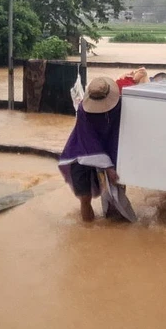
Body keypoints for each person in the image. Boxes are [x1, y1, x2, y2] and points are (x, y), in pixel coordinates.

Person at [58, 77, 136, 223]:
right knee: (85, 198)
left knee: (116, 190)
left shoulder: (121, 105)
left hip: (111, 151)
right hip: (81, 154)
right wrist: (109, 167)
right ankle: (89, 230)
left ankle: (113, 223)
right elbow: (90, 141)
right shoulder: (83, 110)